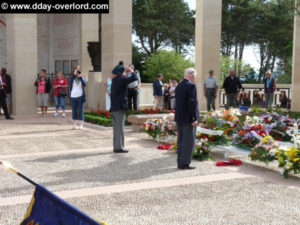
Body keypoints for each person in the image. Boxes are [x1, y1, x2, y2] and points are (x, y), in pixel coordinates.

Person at [110, 61, 137, 153]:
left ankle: (117, 146)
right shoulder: (121, 79)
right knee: (119, 128)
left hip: (116, 107)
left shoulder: (116, 79)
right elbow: (134, 78)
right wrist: (131, 71)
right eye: (124, 71)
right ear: (122, 72)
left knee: (117, 128)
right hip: (119, 107)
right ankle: (119, 147)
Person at [175, 68, 199, 170]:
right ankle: (185, 163)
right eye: (195, 75)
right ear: (192, 75)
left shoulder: (179, 85)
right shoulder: (191, 85)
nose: (195, 78)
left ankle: (180, 161)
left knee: (181, 140)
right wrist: (194, 118)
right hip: (188, 118)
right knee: (188, 141)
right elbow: (192, 103)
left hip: (180, 117)